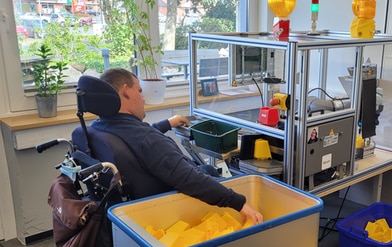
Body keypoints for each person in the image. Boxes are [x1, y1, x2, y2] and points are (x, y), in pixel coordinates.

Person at [91, 68, 263, 225]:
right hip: (171, 204)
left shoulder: (99, 127)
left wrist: (167, 123)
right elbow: (189, 179)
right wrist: (239, 203)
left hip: (133, 200)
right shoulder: (146, 138)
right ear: (126, 91)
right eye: (140, 91)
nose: (143, 98)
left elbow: (136, 140)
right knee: (211, 173)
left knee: (208, 171)